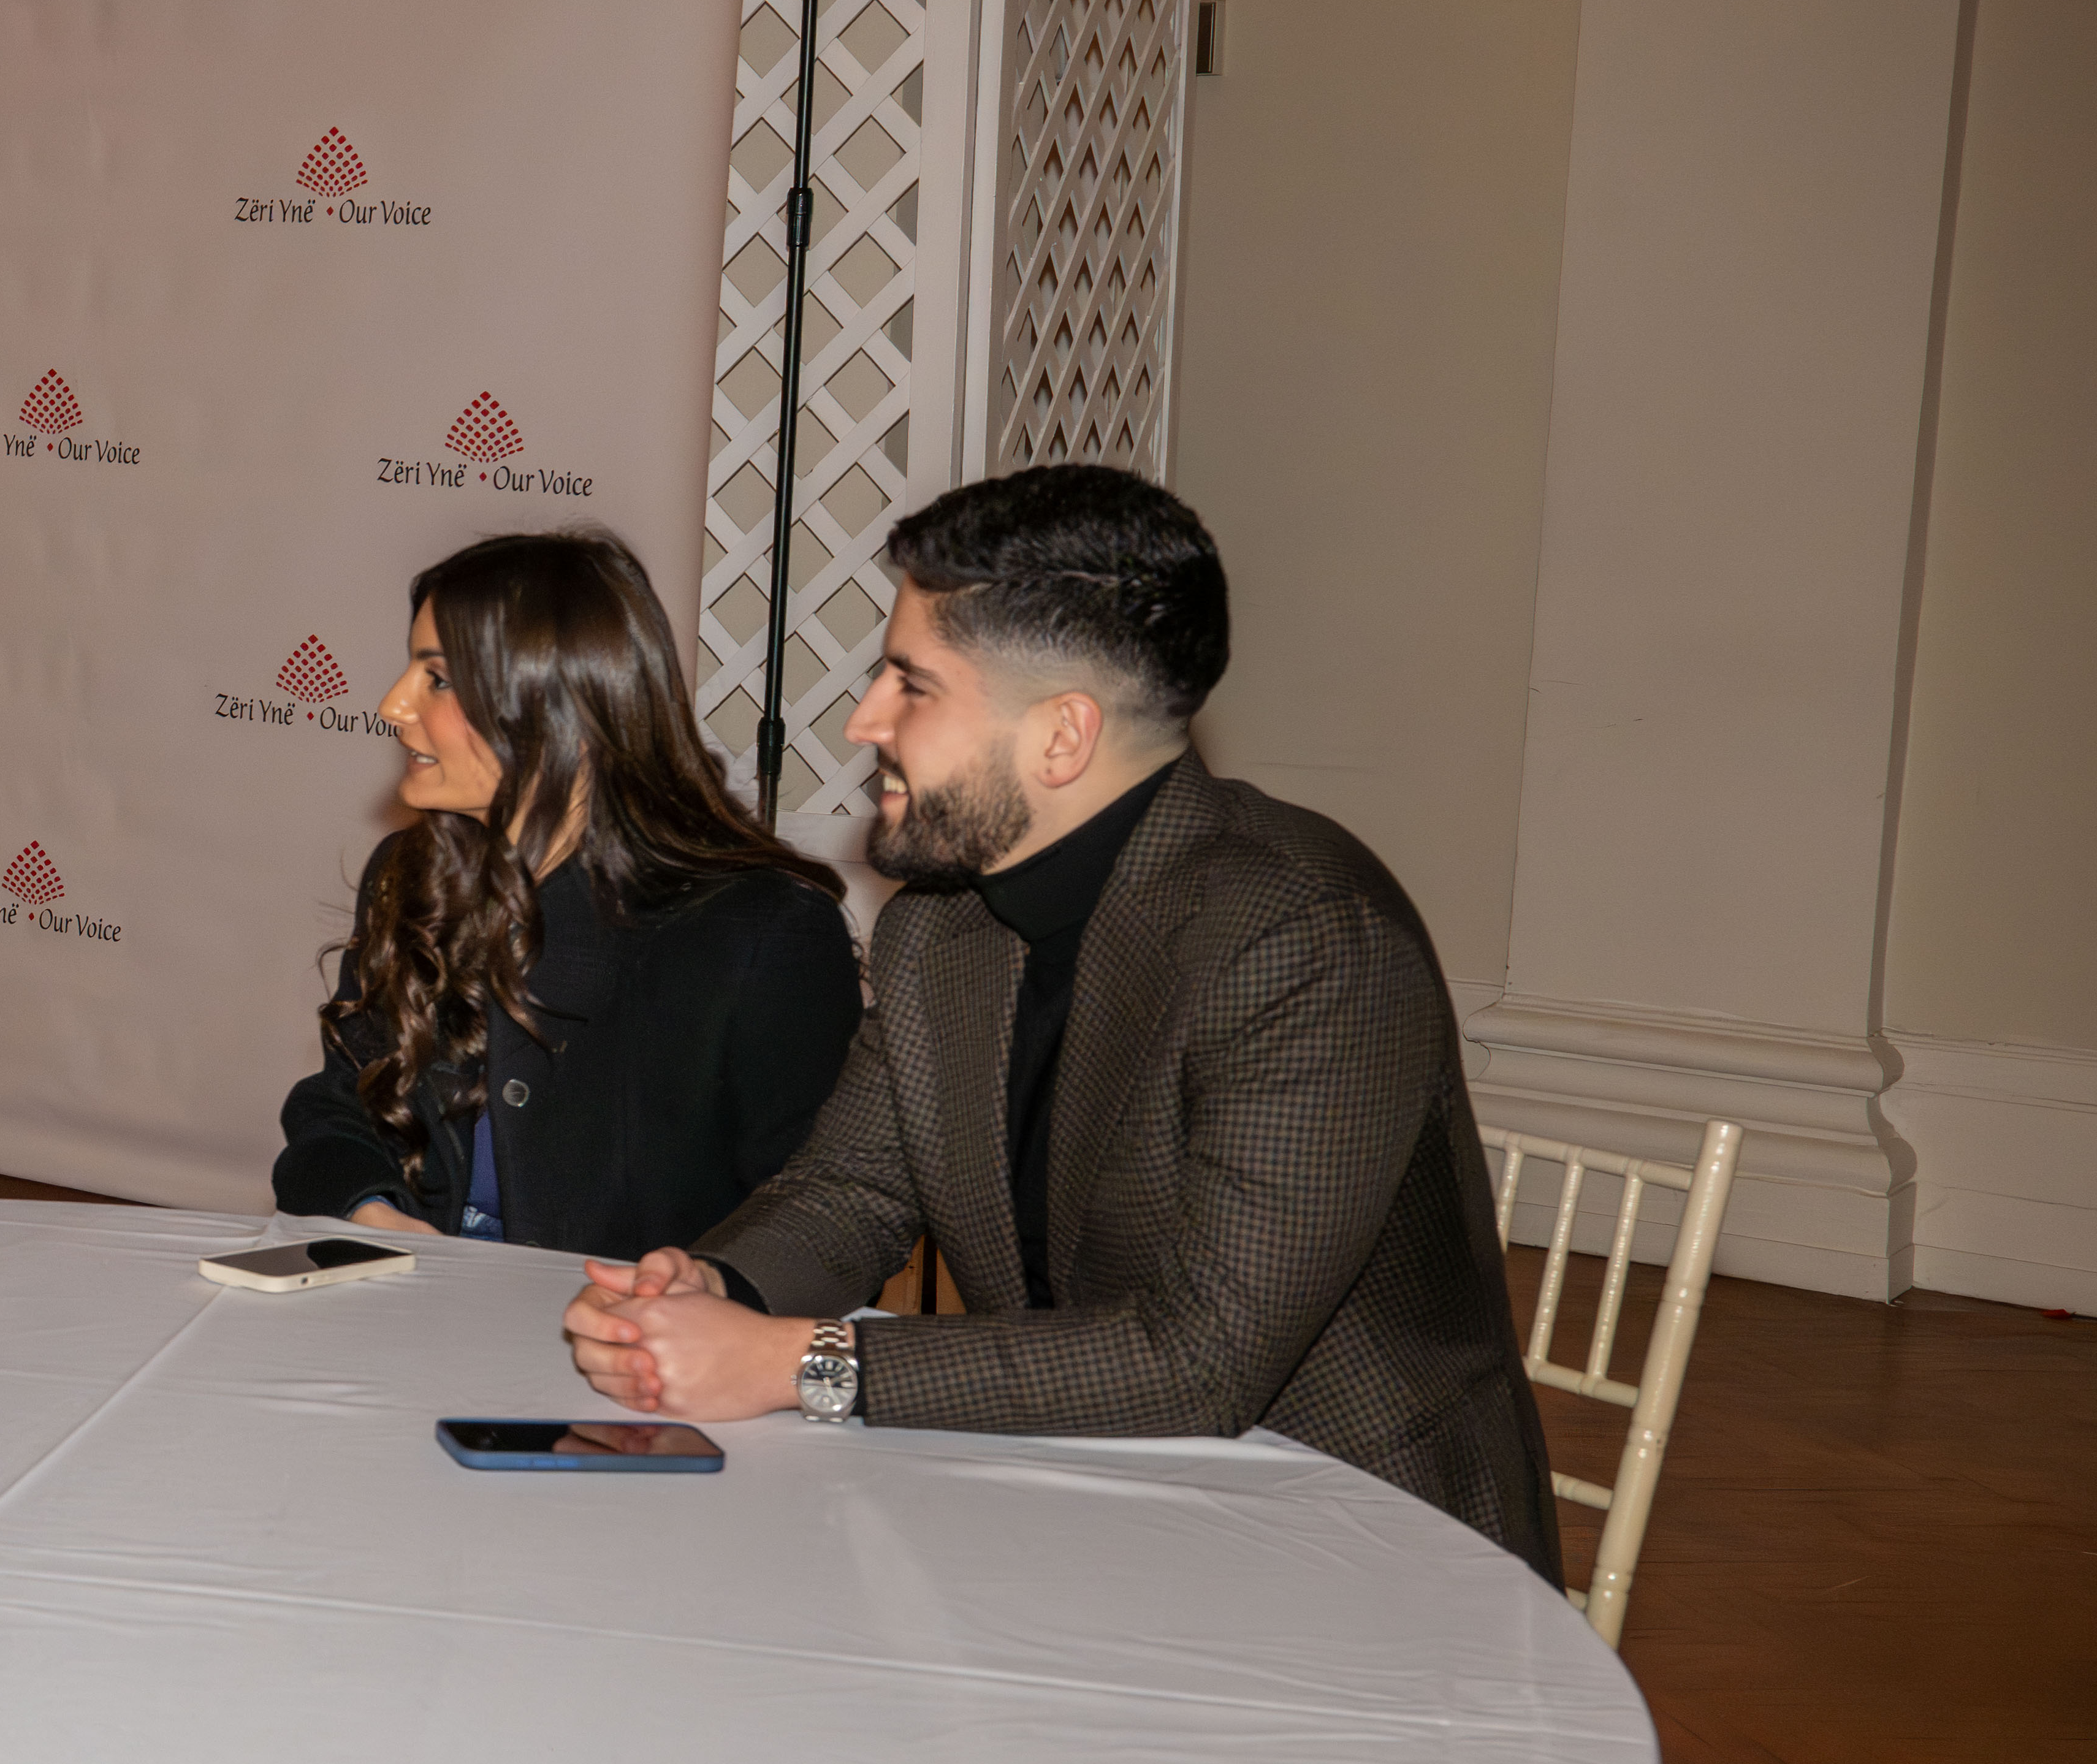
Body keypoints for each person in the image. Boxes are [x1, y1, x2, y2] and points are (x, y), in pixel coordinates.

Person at [560, 465, 1561, 1580]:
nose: (862, 721)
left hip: (1358, 1547)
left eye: (912, 684)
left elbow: (1201, 1361)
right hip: (1083, 1493)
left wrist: (799, 1361)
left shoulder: (1303, 935)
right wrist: (716, 1292)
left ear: (1060, 738)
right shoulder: (938, 926)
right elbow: (849, 1193)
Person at [275, 530, 859, 1258]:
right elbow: (342, 1106)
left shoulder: (762, 930)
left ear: (562, 707)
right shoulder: (412, 873)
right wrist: (375, 1217)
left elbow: (823, 1217)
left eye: (441, 679)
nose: (394, 704)